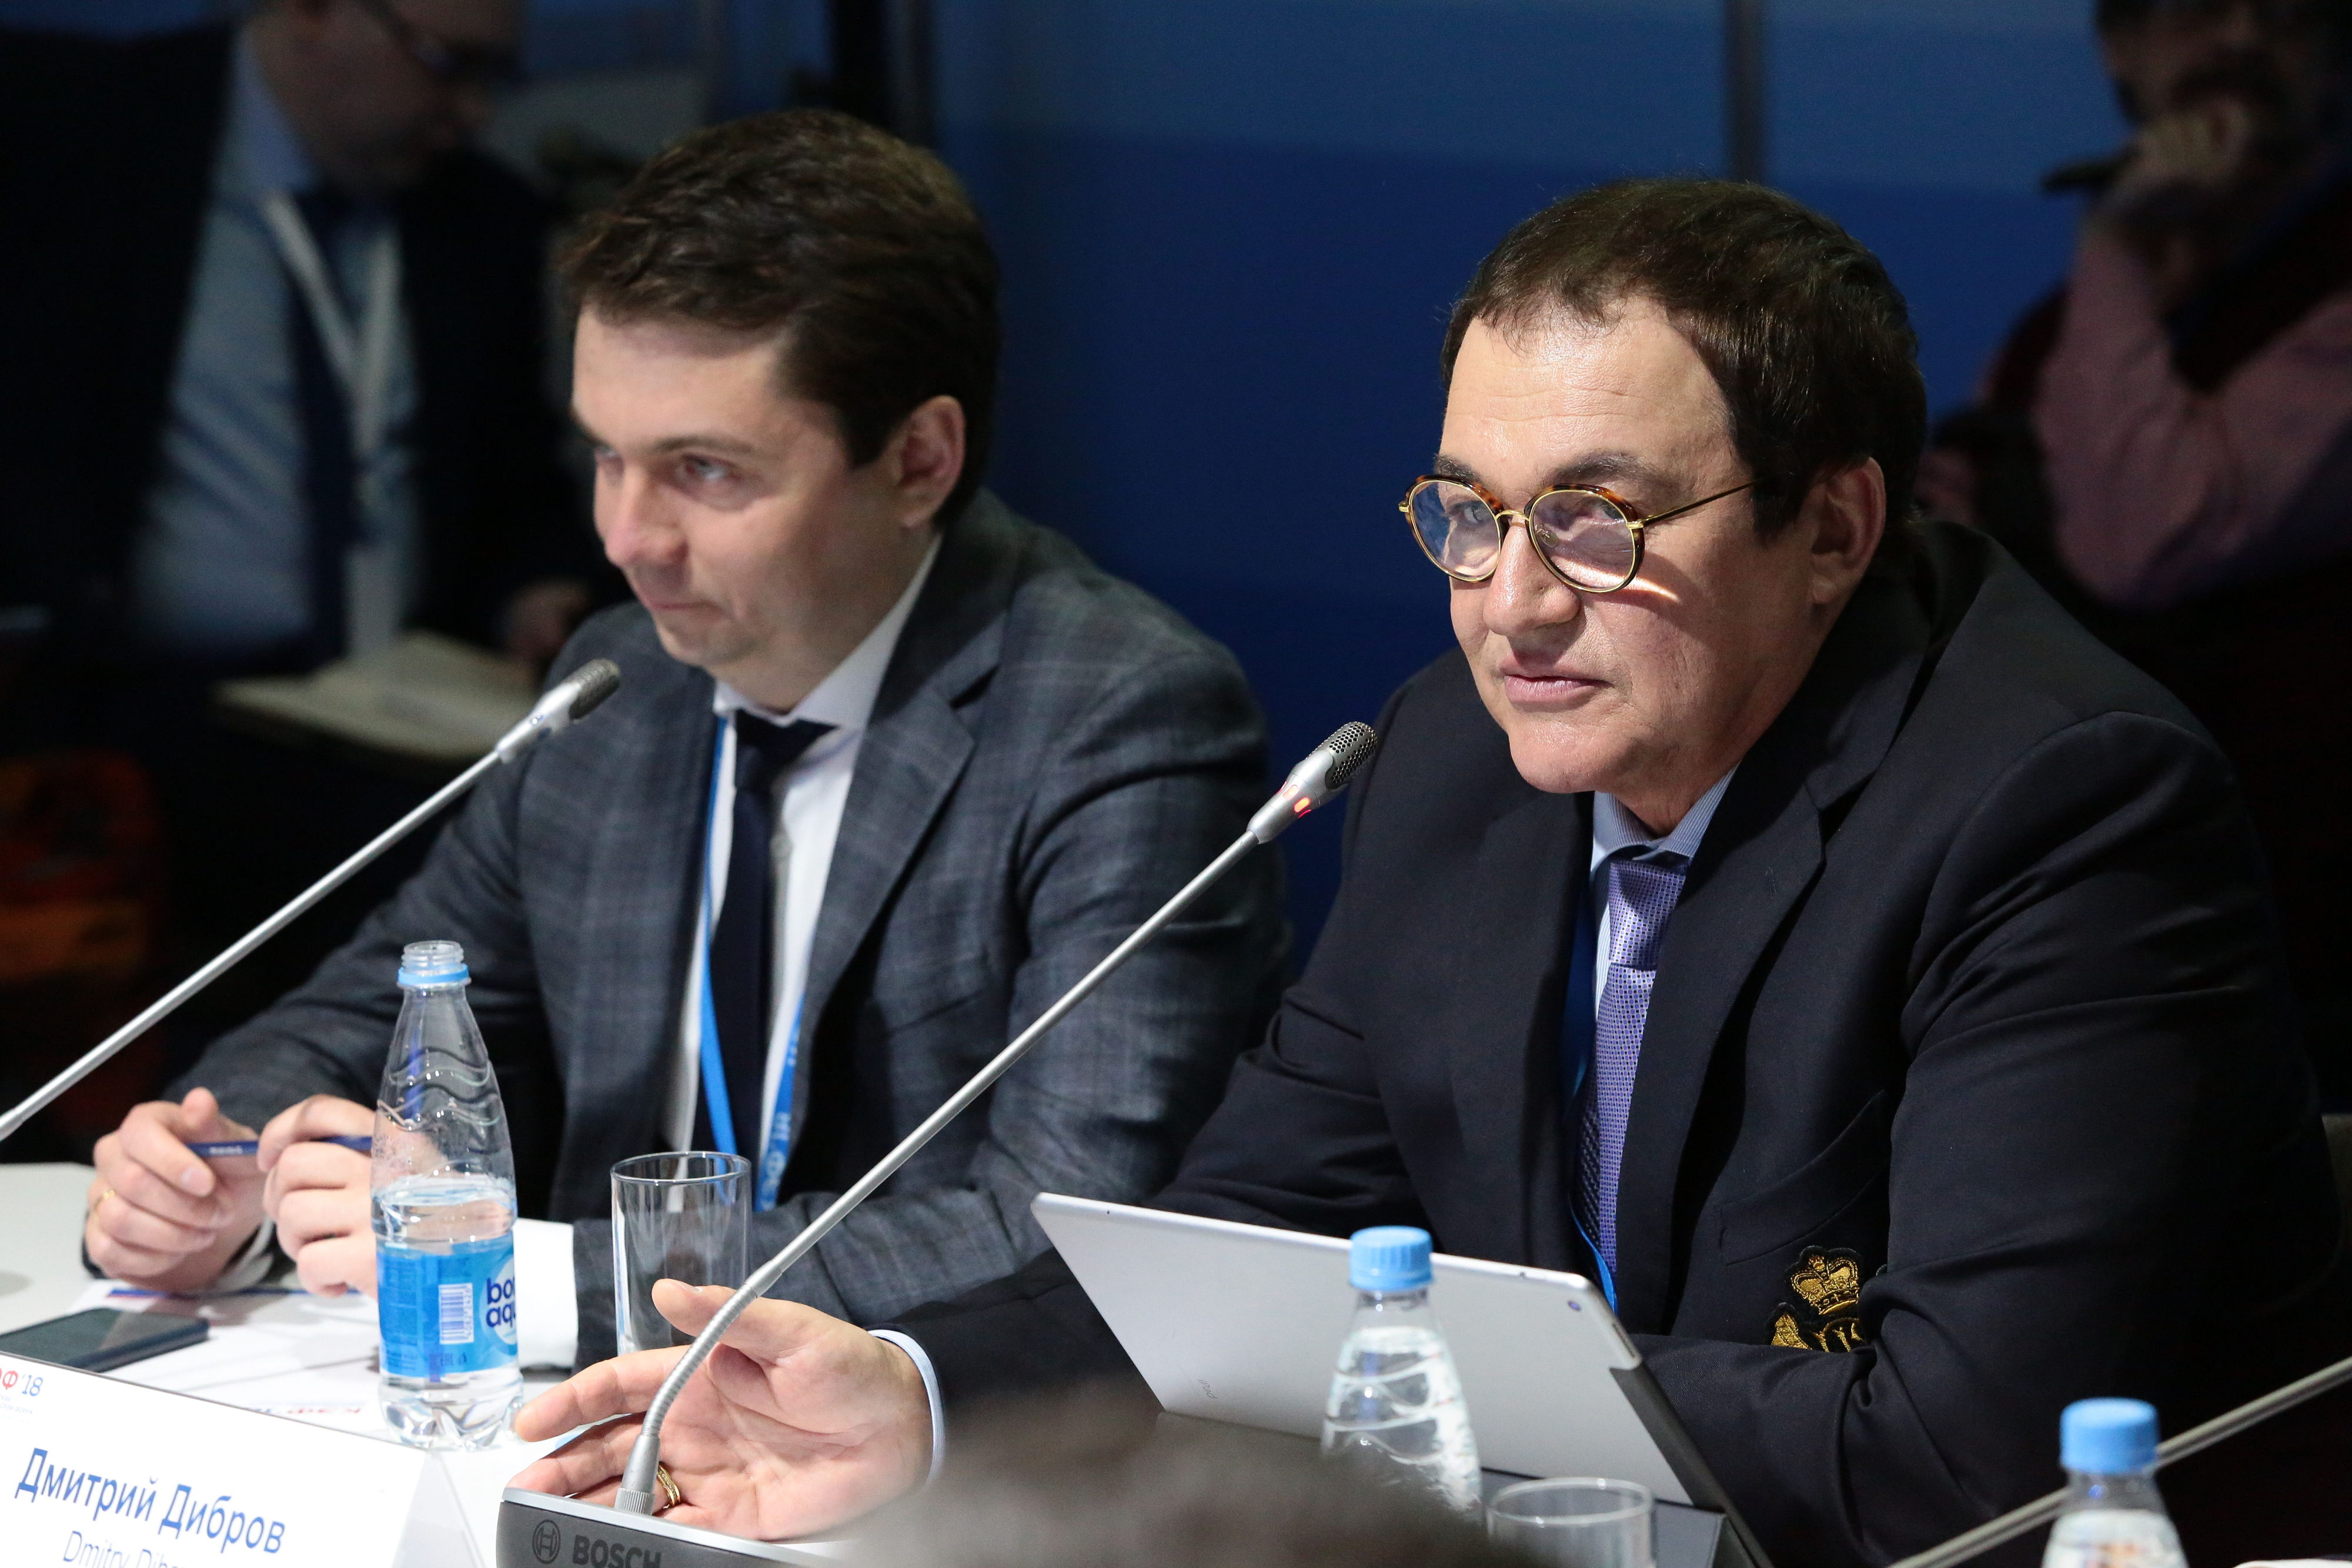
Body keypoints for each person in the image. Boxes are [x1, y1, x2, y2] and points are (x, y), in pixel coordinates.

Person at [512, 179, 2352, 1568]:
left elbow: (1957, 1455)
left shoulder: (2062, 810)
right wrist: (915, 1396)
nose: (1513, 603)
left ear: (1837, 527)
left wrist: (1419, 1369)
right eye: (1471, 513)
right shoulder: (1457, 761)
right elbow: (1249, 1246)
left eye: (1598, 520)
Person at [78, 111, 1285, 1370]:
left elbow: (1065, 1225)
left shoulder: (1116, 717)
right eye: (607, 456)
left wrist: (523, 1274)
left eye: (704, 470)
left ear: (919, 461)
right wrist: (220, 1171)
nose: (628, 538)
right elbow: (382, 1006)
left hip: (937, 1451)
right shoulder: (619, 687)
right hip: (582, 1428)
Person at [0, 1, 596, 1040]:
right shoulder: (83, 130)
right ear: (321, 12)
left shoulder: (482, 219)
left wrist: (535, 587)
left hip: (392, 730)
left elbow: (514, 483)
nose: (472, 111)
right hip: (136, 728)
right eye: (449, 64)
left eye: (494, 76)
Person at [1919, 0, 2352, 1096]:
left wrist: (2112, 243)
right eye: (2194, 10)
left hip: (2308, 966)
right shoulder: (2060, 330)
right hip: (2098, 944)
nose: (2240, 41)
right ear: (2121, 49)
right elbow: (1941, 577)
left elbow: (2148, 538)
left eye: (2285, 16)